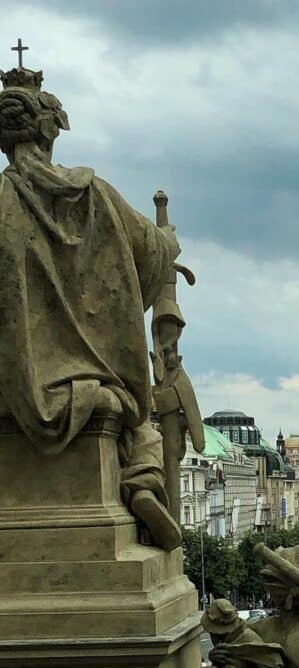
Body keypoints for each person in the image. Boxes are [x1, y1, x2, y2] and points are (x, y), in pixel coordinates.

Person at [0, 59, 184, 549]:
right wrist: (168, 238)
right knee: (136, 419)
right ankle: (143, 483)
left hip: (12, 388)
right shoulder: (94, 194)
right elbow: (153, 251)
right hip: (92, 384)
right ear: (50, 133)